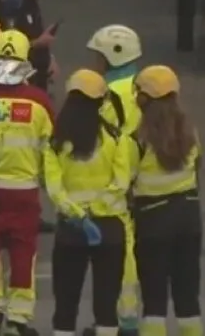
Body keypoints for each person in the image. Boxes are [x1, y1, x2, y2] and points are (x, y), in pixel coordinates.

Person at [44, 69, 134, 336]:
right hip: (109, 230)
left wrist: (78, 213)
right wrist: (98, 208)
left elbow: (54, 188)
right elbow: (121, 181)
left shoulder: (57, 143)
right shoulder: (115, 138)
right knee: (106, 306)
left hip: (72, 229)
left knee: (65, 305)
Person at [0, 30, 55, 335]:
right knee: (24, 254)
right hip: (24, 191)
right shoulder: (39, 102)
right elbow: (51, 149)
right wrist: (53, 189)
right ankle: (19, 319)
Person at [130, 65, 203, 336]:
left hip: (152, 219)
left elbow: (127, 178)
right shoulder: (191, 132)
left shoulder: (139, 138)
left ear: (144, 99)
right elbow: (197, 169)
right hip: (188, 216)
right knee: (187, 296)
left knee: (154, 298)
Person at [86, 24, 144, 331]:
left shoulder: (108, 95)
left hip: (116, 180)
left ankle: (125, 318)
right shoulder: (142, 87)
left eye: (98, 57)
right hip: (143, 179)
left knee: (123, 254)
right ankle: (131, 316)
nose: (95, 63)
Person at [2, 0, 57, 91]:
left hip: (37, 76)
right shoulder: (12, 2)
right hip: (20, 81)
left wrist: (49, 57)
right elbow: (8, 44)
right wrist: (37, 44)